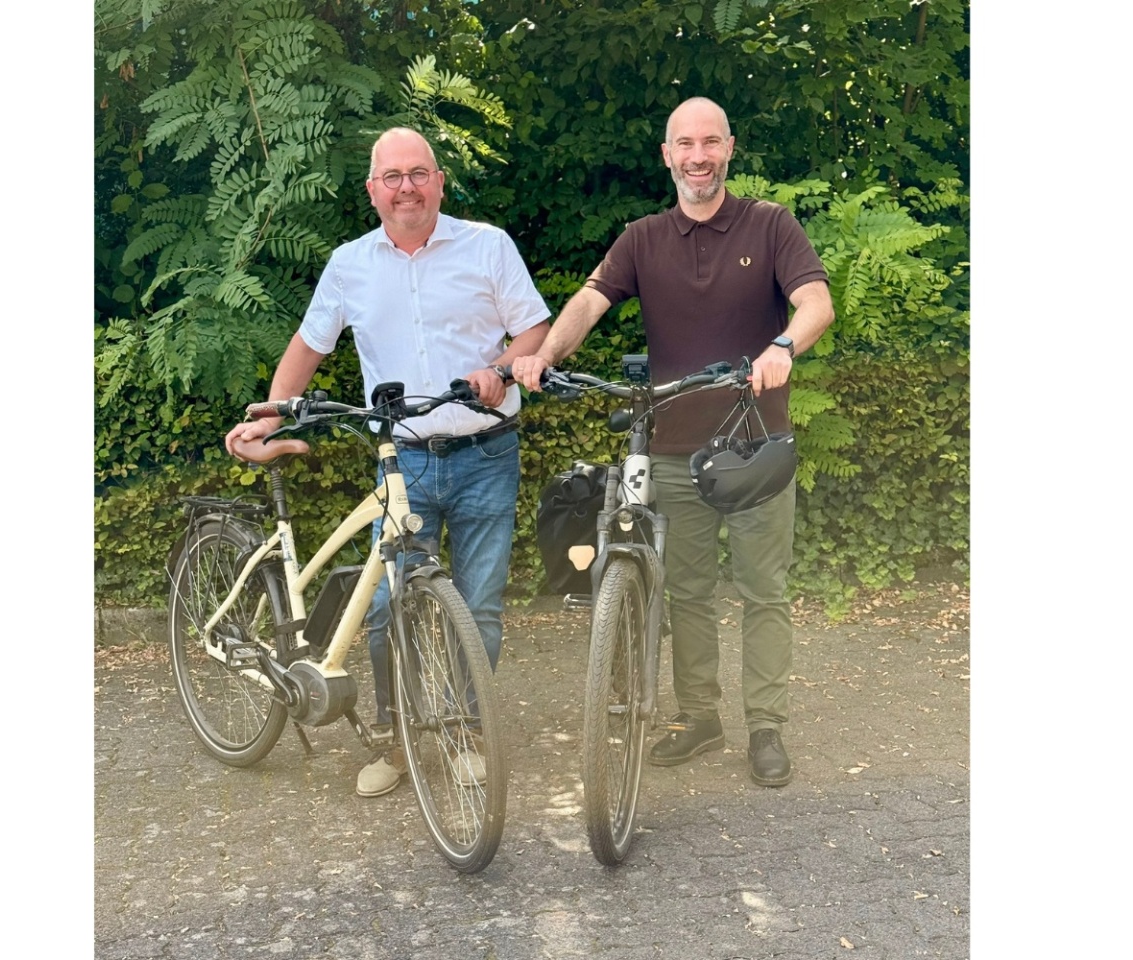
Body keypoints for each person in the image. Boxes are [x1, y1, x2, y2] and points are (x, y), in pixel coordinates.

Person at [512, 97, 834, 788]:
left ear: (729, 149)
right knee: (684, 591)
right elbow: (590, 302)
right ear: (667, 155)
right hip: (673, 450)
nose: (697, 155)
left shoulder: (771, 225)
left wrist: (782, 345)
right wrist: (548, 357)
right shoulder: (642, 238)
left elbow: (816, 303)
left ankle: (767, 724)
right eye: (685, 143)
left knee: (762, 590)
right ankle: (699, 715)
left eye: (710, 142)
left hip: (755, 447)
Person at [225, 127, 551, 798]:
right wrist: (266, 414)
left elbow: (534, 330)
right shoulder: (350, 264)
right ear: (373, 190)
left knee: (480, 609)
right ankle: (399, 741)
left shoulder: (487, 246)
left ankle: (465, 733)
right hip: (403, 462)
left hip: (488, 453)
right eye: (392, 176)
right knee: (386, 609)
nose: (406, 186)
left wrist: (498, 368)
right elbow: (310, 344)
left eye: (418, 173)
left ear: (438, 181)